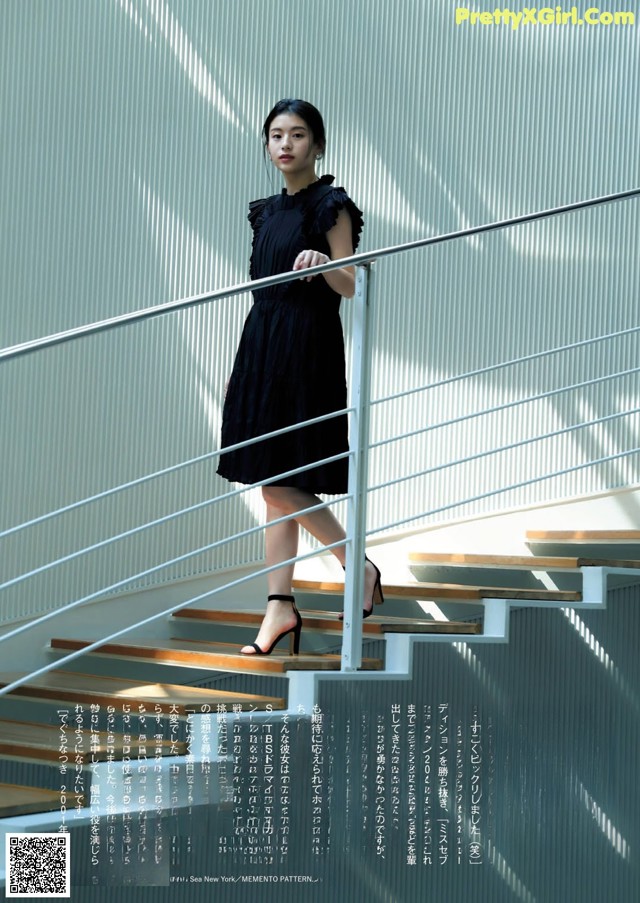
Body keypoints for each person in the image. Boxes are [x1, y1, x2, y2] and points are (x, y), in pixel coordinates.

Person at [217, 99, 383, 656]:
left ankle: (353, 563)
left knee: (277, 482)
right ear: (267, 146)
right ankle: (280, 608)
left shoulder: (331, 206)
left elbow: (351, 283)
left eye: (298, 135)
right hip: (261, 344)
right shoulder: (264, 211)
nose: (285, 144)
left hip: (307, 347)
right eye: (276, 136)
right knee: (272, 489)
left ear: (318, 144)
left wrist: (324, 263)